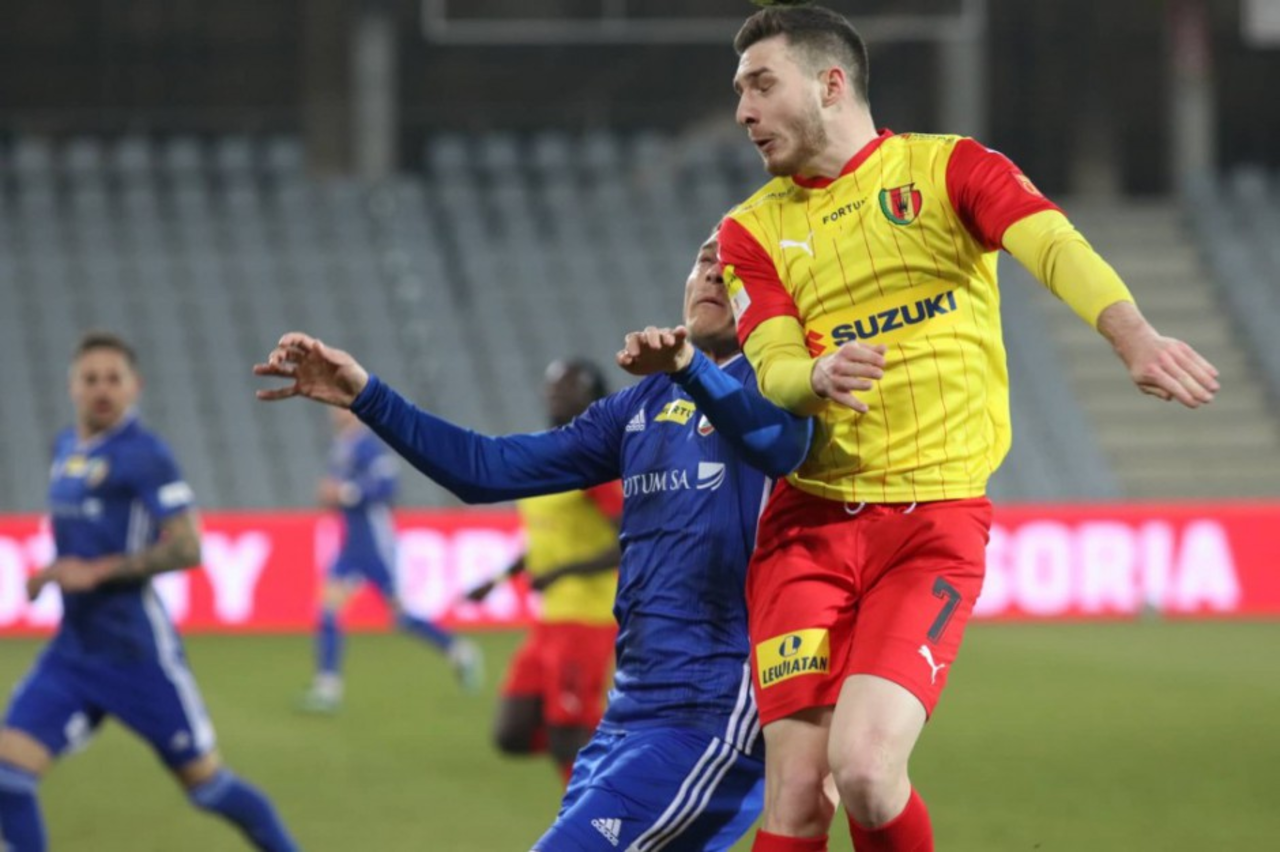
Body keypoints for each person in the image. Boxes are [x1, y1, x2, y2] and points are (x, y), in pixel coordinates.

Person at [718, 5, 1222, 851]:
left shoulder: (948, 169)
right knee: (798, 798)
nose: (743, 110)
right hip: (807, 531)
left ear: (831, 84)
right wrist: (814, 377)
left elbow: (1051, 243)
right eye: (740, 92)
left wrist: (1130, 334)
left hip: (932, 526)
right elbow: (771, 365)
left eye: (761, 85)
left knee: (867, 773)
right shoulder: (749, 230)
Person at [255, 231, 815, 851]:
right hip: (628, 712)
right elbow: (484, 468)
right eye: (705, 259)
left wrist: (691, 368)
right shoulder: (640, 406)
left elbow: (777, 445)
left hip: (713, 713)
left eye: (734, 266)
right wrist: (368, 396)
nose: (712, 273)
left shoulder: (782, 395)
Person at [0, 332, 301, 852]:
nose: (102, 388)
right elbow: (85, 537)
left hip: (137, 654)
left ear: (134, 386)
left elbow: (188, 547)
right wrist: (52, 572)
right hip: (74, 652)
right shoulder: (65, 448)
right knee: (8, 777)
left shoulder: (145, 454)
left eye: (113, 379)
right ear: (72, 387)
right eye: (91, 379)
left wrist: (97, 572)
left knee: (208, 787)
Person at [465, 359, 623, 785]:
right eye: (551, 384)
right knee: (512, 733)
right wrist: (498, 579)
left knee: (567, 734)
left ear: (592, 398)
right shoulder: (548, 454)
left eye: (567, 386)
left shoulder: (594, 466)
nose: (554, 391)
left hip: (587, 618)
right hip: (550, 620)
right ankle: (616, 758)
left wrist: (561, 572)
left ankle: (597, 811)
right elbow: (546, 539)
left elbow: (629, 540)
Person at [299, 406, 483, 713]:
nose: (334, 412)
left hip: (376, 545)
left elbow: (387, 487)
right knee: (328, 610)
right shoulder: (342, 446)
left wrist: (344, 492)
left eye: (340, 407)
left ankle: (460, 651)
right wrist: (331, 497)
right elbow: (340, 494)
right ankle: (327, 688)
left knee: (401, 616)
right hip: (352, 547)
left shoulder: (369, 446)